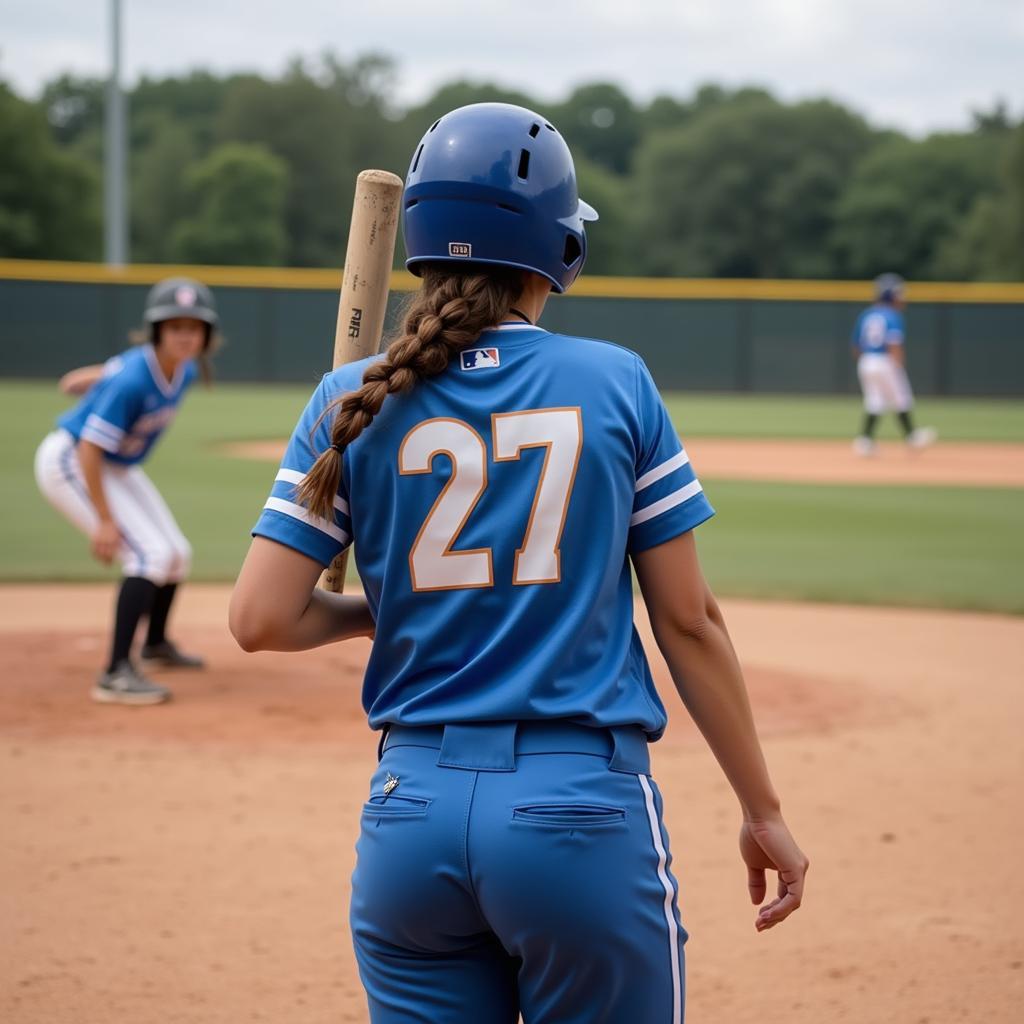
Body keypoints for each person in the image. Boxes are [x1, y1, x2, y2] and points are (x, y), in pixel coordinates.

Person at [229, 103, 807, 1023]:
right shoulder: (616, 380)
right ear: (558, 251)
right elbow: (688, 620)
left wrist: (381, 609)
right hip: (577, 817)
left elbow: (260, 621)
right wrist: (762, 808)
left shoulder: (350, 398)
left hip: (406, 820)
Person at [35, 278, 217, 705]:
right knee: (146, 554)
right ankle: (114, 673)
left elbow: (96, 375)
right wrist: (103, 520)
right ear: (157, 331)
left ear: (206, 335)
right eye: (175, 327)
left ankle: (154, 645)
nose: (185, 335)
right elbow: (89, 447)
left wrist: (101, 373)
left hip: (114, 465)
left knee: (176, 552)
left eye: (194, 327)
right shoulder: (134, 380)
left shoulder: (183, 369)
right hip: (72, 461)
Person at [851, 273, 937, 456]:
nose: (901, 297)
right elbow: (894, 345)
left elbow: (856, 345)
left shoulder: (867, 314)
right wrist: (897, 365)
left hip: (866, 360)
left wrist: (865, 362)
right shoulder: (892, 315)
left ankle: (864, 441)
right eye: (898, 293)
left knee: (874, 401)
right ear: (889, 295)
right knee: (901, 397)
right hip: (885, 360)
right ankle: (912, 437)